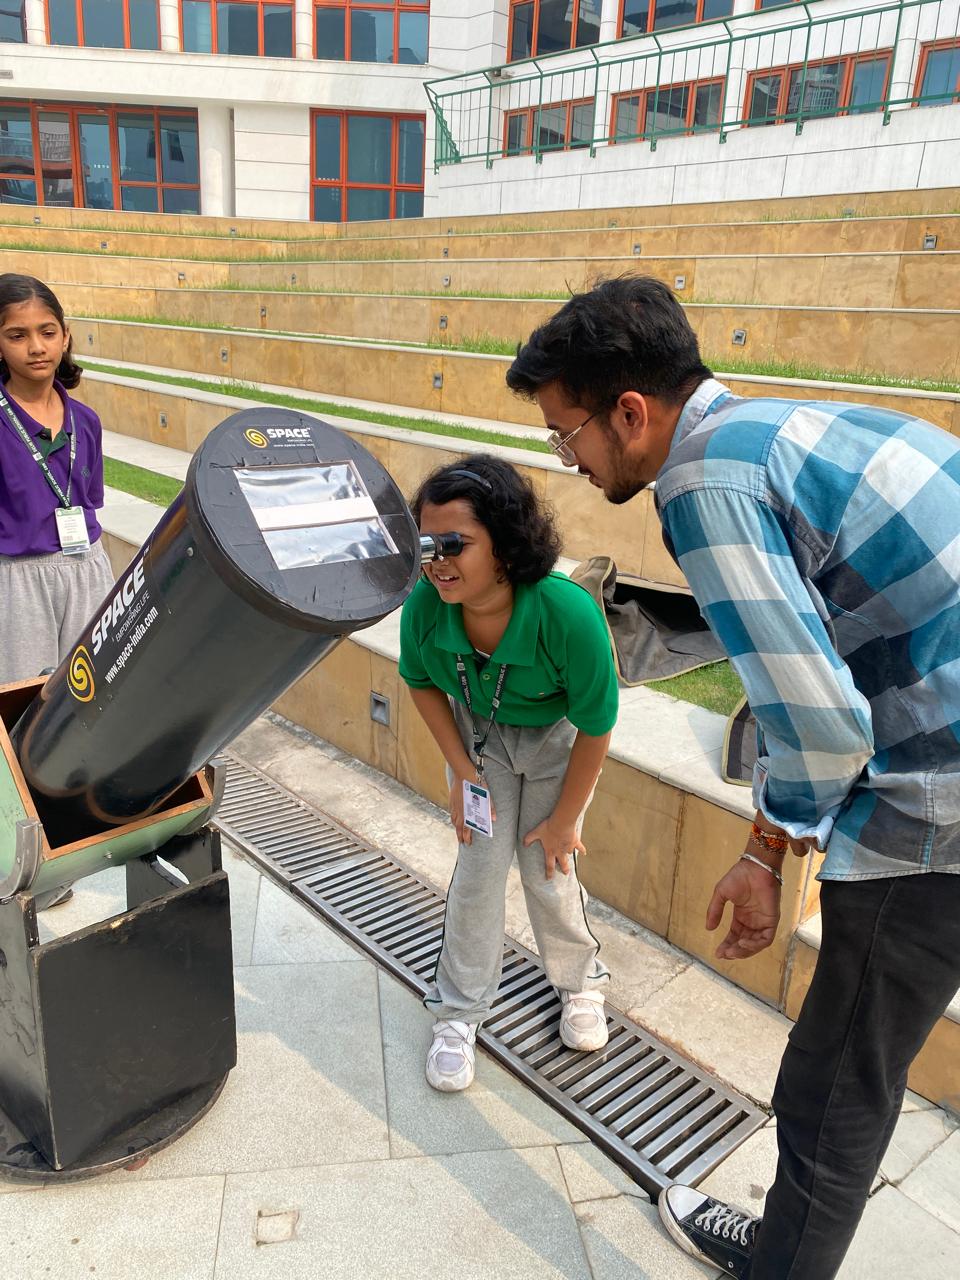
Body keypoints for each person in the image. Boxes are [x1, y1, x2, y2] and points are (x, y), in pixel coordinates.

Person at [506, 275, 960, 1280]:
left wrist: (764, 848)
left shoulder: (703, 480)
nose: (570, 462)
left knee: (835, 1084)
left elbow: (826, 728)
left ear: (631, 411)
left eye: (566, 433)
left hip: (944, 804)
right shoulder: (776, 427)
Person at [399, 454, 619, 1092]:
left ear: (507, 541)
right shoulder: (425, 607)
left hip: (559, 742)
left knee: (549, 871)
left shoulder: (566, 612)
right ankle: (458, 1012)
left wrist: (564, 821)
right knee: (478, 872)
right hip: (482, 736)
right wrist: (463, 770)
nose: (436, 561)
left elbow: (597, 725)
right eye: (426, 545)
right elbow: (420, 683)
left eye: (455, 544)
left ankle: (581, 985)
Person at [0, 274, 114, 907]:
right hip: (16, 581)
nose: (35, 347)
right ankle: (21, 860)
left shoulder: (86, 421)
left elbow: (87, 500)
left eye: (47, 332)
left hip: (85, 569)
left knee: (82, 703)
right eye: (17, 335)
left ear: (66, 336)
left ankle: (68, 840)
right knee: (19, 709)